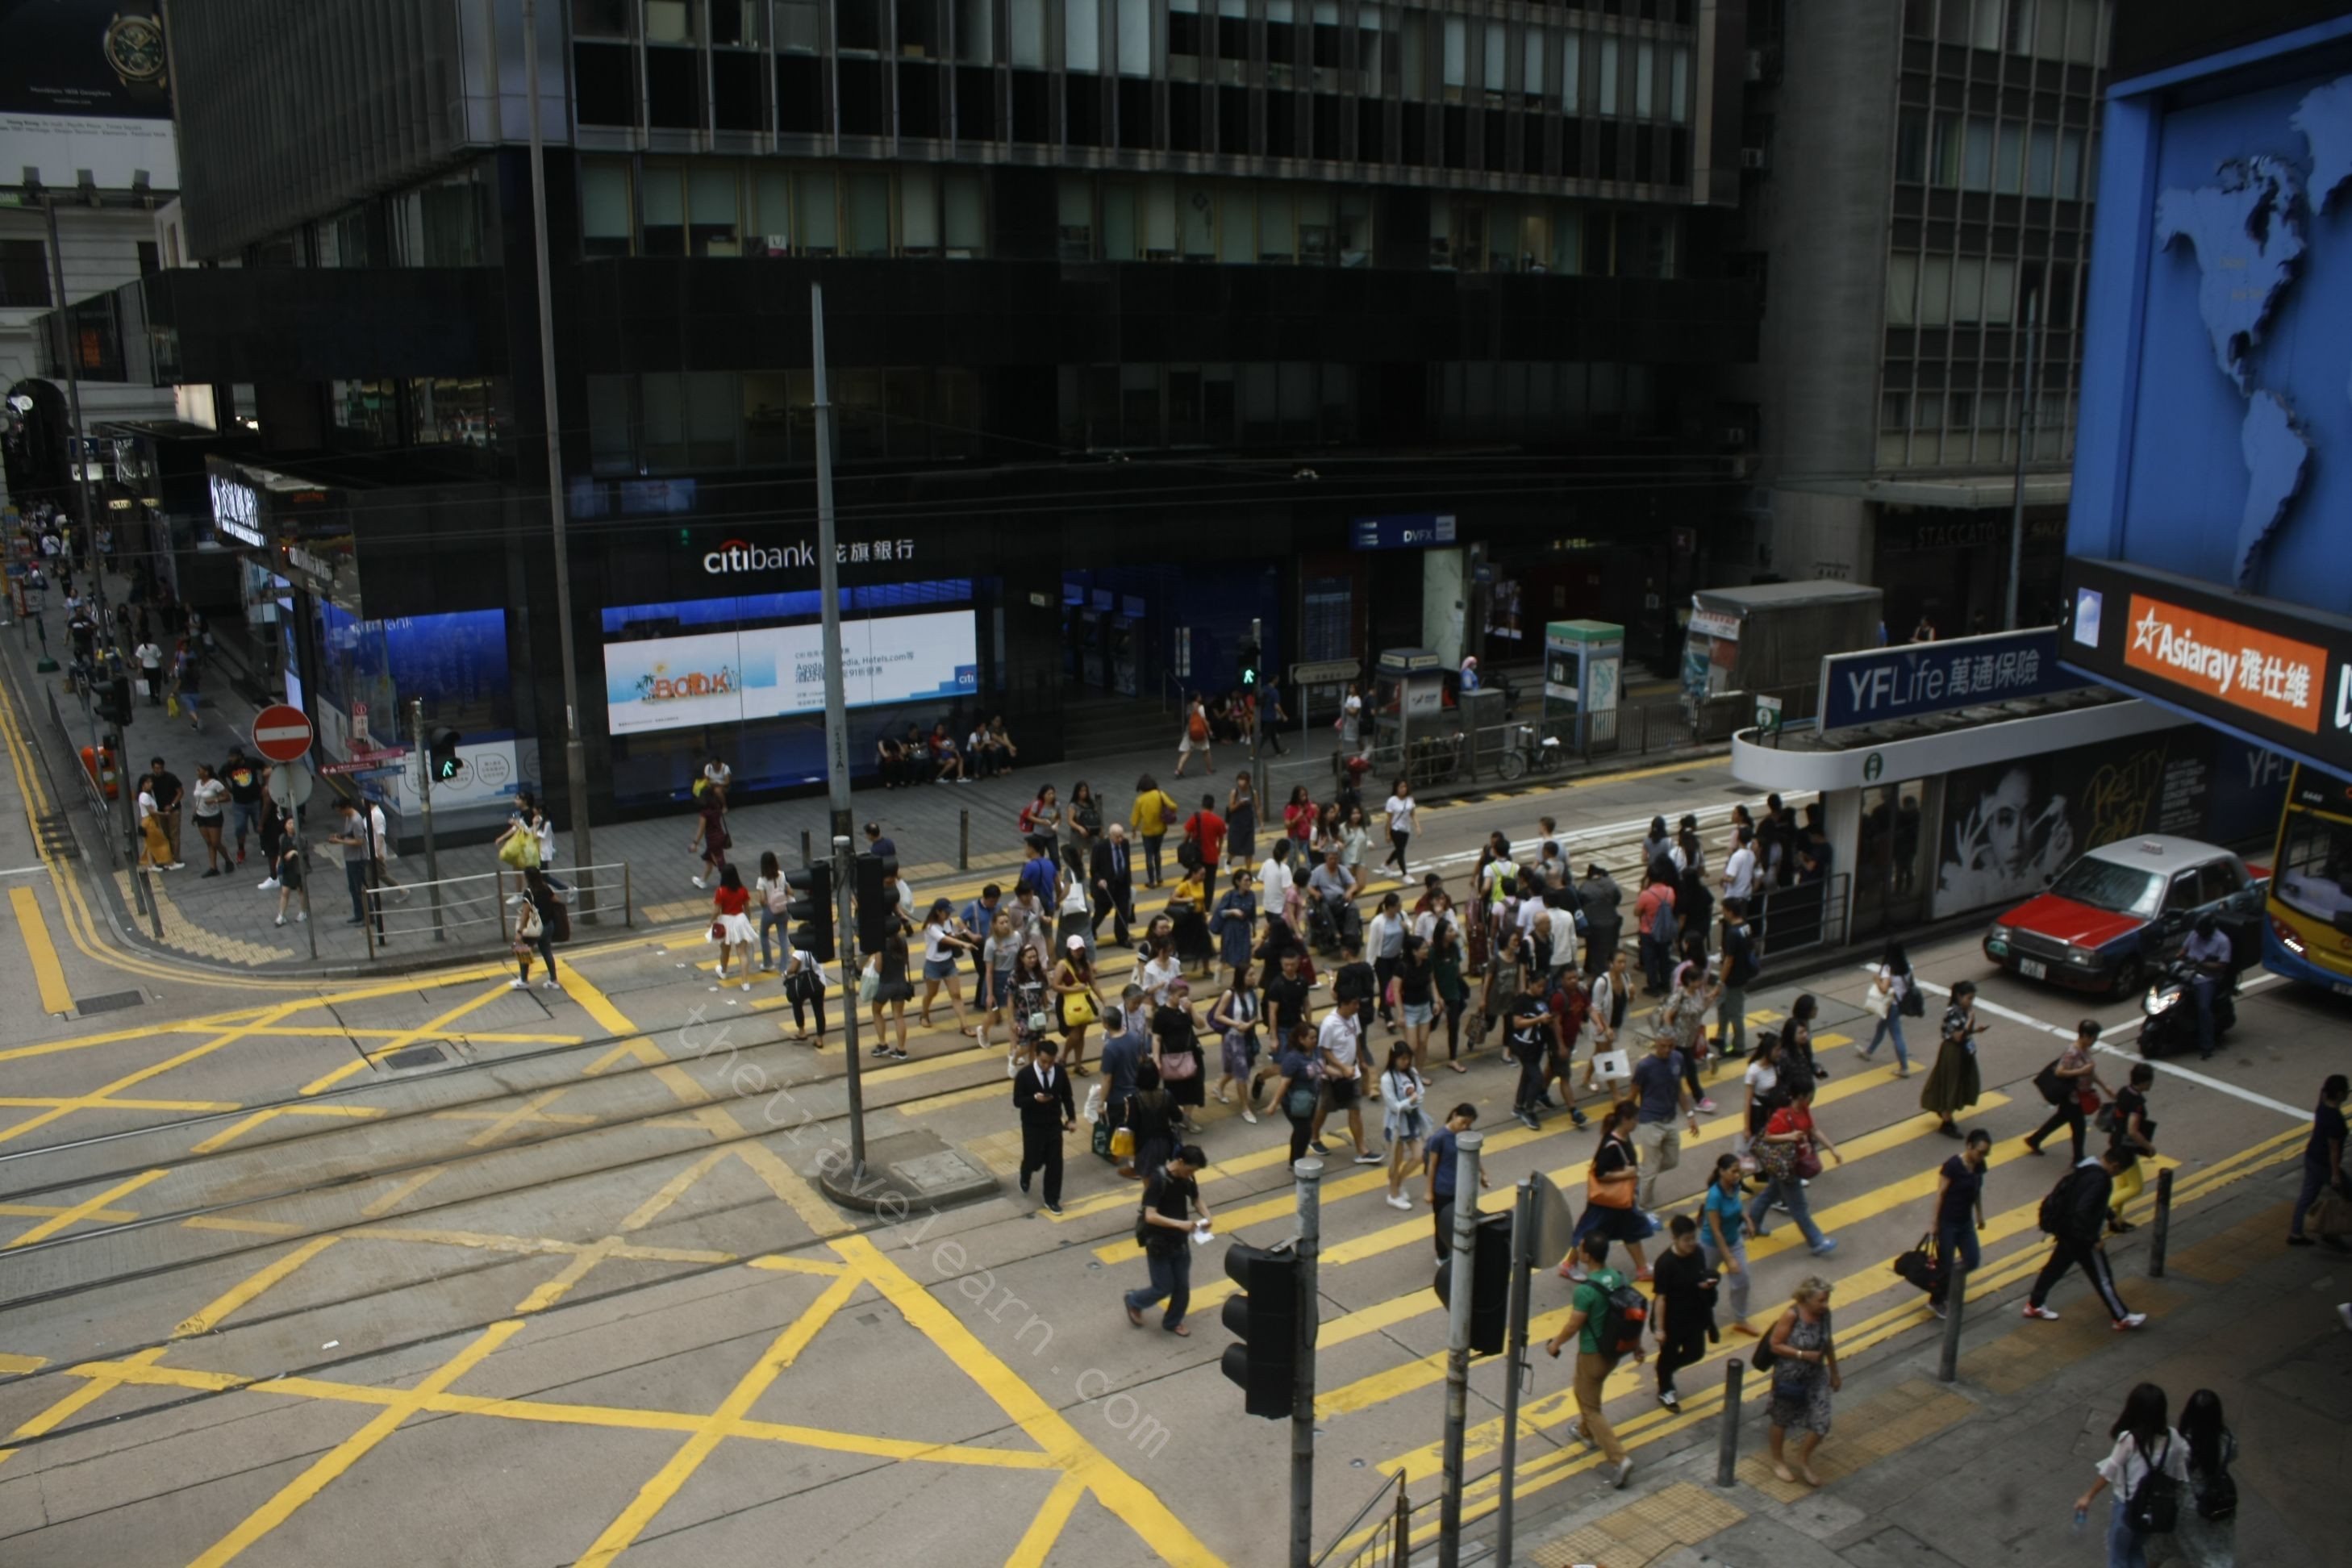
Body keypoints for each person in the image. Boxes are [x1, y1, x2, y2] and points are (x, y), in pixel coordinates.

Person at [1541, 1232, 1639, 1490]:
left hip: (1592, 1354)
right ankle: (1584, 1432)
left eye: (1581, 1249)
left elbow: (1574, 1325)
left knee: (1590, 1408)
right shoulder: (1618, 1277)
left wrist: (1555, 1344)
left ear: (1587, 1256)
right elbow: (1630, 1311)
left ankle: (1619, 1459)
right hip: (1615, 1352)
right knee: (1586, 1393)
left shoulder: (1586, 1290)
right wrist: (1638, 1346)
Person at [2024, 1145, 2146, 1328]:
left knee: (2054, 1269)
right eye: (2120, 1171)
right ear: (2115, 1165)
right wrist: (2094, 1239)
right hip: (2082, 1238)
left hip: (2067, 1230)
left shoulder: (2086, 1167)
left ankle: (2034, 1304)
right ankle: (2121, 1317)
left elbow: (2086, 1200)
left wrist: (2111, 1216)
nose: (2118, 1175)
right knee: (2102, 1277)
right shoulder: (2102, 1180)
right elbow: (2084, 1210)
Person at [2074, 1383, 2188, 1568]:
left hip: (2127, 1507)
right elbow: (2180, 1471)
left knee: (2118, 1556)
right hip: (2154, 1508)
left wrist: (2088, 1496)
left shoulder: (2129, 1439)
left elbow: (2110, 1470)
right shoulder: (2173, 1437)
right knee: (2135, 1550)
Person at [1763, 1278, 1841, 1487]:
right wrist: (1802, 1354)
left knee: (1822, 1422)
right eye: (1821, 1300)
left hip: (1816, 1374)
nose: (1825, 1305)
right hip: (1790, 1376)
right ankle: (1778, 1461)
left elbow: (1827, 1341)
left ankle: (1803, 1459)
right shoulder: (1792, 1315)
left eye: (1827, 1300)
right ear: (1806, 1299)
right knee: (1782, 1418)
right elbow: (1775, 1345)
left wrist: (1834, 1371)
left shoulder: (1825, 1314)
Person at [1749, 1083, 1842, 1257]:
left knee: (1770, 1193)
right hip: (1786, 1165)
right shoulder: (1782, 1114)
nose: (1813, 1097)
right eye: (1811, 1094)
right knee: (1799, 1207)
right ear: (1802, 1095)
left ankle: (1750, 1223)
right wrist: (1790, 1136)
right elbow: (1768, 1136)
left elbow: (1813, 1129)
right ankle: (1816, 1241)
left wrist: (1832, 1148)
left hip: (1794, 1162)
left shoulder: (1804, 1109)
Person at [1124, 1143, 1211, 1330]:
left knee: (1182, 1288)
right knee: (1163, 1287)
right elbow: (1150, 1216)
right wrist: (1180, 1224)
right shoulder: (1158, 1179)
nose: (1191, 1174)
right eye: (1190, 1170)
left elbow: (1196, 1199)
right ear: (1180, 1162)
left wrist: (1207, 1217)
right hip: (1159, 1243)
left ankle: (1172, 1322)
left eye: (1194, 1172)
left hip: (1180, 1241)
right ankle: (1134, 1300)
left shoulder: (1188, 1178)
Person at [1570, 1103, 1655, 1279]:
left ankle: (1642, 1268)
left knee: (1630, 1230)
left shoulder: (1623, 1136)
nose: (1637, 1122)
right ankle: (1569, 1265)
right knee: (1590, 1233)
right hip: (1608, 1201)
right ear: (1625, 1120)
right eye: (1635, 1119)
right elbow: (1600, 1174)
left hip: (1619, 1201)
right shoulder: (1612, 1144)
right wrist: (1627, 1174)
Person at [1651, 1214, 1718, 1409]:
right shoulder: (1665, 1264)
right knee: (1668, 1354)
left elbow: (1700, 1276)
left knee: (1696, 1353)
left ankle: (1664, 1369)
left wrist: (1706, 1285)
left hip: (1695, 1315)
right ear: (1674, 1238)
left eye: (1693, 1238)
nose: (1691, 1244)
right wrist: (1660, 1329)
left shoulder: (1698, 1253)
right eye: (1686, 1240)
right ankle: (1665, 1388)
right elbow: (1660, 1298)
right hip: (1672, 1320)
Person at [2171, 1389, 2238, 1568]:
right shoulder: (2227, 1439)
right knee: (2215, 1546)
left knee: (2181, 1543)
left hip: (2189, 1502)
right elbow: (2232, 1455)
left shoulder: (2183, 1443)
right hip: (2217, 1498)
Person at [2026, 1019, 2110, 1163]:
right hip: (2072, 1097)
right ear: (2085, 1035)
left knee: (2060, 1119)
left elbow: (2090, 1071)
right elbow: (2060, 1072)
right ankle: (2078, 1158)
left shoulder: (2085, 1050)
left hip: (2078, 1095)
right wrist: (2081, 1071)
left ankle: (2035, 1139)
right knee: (2079, 1128)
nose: (2095, 1041)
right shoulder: (2072, 1052)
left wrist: (2104, 1086)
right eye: (2094, 1038)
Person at [1928, 1130, 1991, 1317]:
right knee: (1945, 1265)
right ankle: (1936, 1300)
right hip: (1948, 1223)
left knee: (1972, 1259)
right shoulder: (1953, 1166)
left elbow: (1977, 1190)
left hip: (1965, 1223)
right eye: (1980, 1152)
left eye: (1985, 1154)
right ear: (1969, 1146)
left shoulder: (1979, 1166)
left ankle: (1951, 1284)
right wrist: (1935, 1223)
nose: (1982, 1157)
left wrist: (1980, 1215)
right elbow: (1940, 1194)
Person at [1312, 993, 1380, 1163]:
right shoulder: (1329, 1024)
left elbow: (1356, 1039)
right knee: (1324, 1108)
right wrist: (1342, 1068)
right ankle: (1314, 1137)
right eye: (1354, 1003)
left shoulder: (1353, 1017)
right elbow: (1325, 1050)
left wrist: (1361, 1061)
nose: (1358, 1007)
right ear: (1343, 1004)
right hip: (1333, 1077)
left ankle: (1362, 1150)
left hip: (1352, 1073)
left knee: (1355, 1109)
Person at [1014, 1039, 1078, 1215]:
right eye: (1044, 1062)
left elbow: (1067, 1096)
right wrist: (1035, 1099)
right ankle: (1026, 1171)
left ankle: (1052, 1199)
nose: (1047, 1066)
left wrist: (1072, 1118)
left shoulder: (1060, 1072)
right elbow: (1017, 1101)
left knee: (1055, 1162)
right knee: (1034, 1160)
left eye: (1051, 1062)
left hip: (1054, 1125)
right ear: (1036, 1056)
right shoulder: (1025, 1075)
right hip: (1032, 1126)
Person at [2287, 1072, 2350, 1248]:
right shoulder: (2335, 1120)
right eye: (2347, 1091)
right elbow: (2334, 1149)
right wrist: (2335, 1174)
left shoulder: (2322, 1107)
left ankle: (2296, 1233)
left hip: (2312, 1157)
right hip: (2325, 1164)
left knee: (2307, 1197)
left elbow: (2323, 1093)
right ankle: (2332, 1232)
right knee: (2348, 1193)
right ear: (2340, 1094)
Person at [1921, 978, 1989, 1137]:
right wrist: (1970, 1022)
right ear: (1959, 996)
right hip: (1954, 1052)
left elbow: (1963, 1032)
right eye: (1969, 998)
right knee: (1952, 1085)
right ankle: (1947, 1122)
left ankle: (1946, 1113)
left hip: (1962, 1051)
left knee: (1958, 1083)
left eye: (1973, 998)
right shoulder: (1954, 1012)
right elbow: (1958, 1036)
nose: (1971, 1002)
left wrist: (1975, 1030)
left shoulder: (1963, 1010)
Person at [1699, 1153, 1756, 1332]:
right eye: (1733, 1171)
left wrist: (1747, 1219)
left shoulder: (1735, 1186)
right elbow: (1716, 1231)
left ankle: (1741, 1320)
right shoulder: (1714, 1196)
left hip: (1734, 1239)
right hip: (1712, 1245)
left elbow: (1736, 1207)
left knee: (1742, 1281)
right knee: (1703, 1283)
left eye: (1739, 1171)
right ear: (1722, 1172)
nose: (1737, 1175)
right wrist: (1729, 1259)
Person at [2104, 1062, 2157, 1234]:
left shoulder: (2124, 1091)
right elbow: (2132, 1130)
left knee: (2122, 1185)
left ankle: (2116, 1221)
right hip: (2125, 1149)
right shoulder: (2137, 1103)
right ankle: (2102, 1207)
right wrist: (2148, 1146)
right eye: (2150, 1081)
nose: (2151, 1084)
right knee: (2135, 1187)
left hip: (2116, 1142)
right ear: (2144, 1082)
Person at [918, 899, 981, 1036]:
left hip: (949, 963)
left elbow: (950, 936)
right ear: (938, 912)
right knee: (932, 993)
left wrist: (960, 935)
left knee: (956, 995)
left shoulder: (948, 922)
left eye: (949, 912)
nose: (948, 915)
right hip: (933, 965)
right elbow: (943, 939)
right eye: (946, 912)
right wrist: (963, 944)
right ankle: (924, 1014)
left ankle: (964, 1026)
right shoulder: (930, 927)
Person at [1152, 980, 1207, 1130]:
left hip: (1191, 1055)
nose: (1183, 998)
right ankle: (1174, 1118)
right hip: (1171, 1058)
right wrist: (1156, 1059)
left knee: (1195, 1086)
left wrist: (1192, 1009)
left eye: (1186, 995)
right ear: (1170, 994)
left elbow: (1201, 1025)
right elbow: (1157, 1038)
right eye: (1180, 995)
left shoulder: (1186, 1010)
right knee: (1174, 1090)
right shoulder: (1161, 1013)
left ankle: (1187, 1118)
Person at [1506, 967, 1555, 1132]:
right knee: (1537, 1078)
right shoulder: (1522, 1000)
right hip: (1524, 1046)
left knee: (1527, 1075)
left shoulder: (1542, 999)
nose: (1541, 989)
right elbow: (1517, 1023)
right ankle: (1529, 1109)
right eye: (1539, 986)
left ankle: (1519, 1105)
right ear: (1531, 984)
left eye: (1543, 986)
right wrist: (1538, 1019)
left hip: (1537, 1045)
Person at [1857, 939, 1916, 1074]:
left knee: (1896, 1035)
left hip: (1891, 1006)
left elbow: (1884, 989)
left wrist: (1877, 979)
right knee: (1881, 1027)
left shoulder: (1889, 970)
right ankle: (1869, 1051)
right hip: (1901, 1003)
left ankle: (1904, 1068)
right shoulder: (1907, 967)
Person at [2180, 913, 2233, 1061]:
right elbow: (2183, 950)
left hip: (2206, 978)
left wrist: (2200, 964)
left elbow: (2221, 965)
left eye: (2202, 932)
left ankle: (2207, 1046)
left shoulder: (2222, 941)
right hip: (2188, 972)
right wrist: (2179, 958)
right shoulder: (2194, 934)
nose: (2199, 935)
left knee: (2204, 1008)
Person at [1209, 961, 1261, 1112]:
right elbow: (1218, 1015)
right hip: (1233, 1038)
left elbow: (1255, 1016)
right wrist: (1236, 1024)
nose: (1254, 977)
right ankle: (1245, 1107)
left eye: (1254, 974)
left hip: (1248, 1036)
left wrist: (1249, 1024)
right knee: (1241, 1072)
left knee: (1237, 1069)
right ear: (1241, 977)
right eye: (1250, 975)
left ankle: (1219, 1087)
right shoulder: (1230, 994)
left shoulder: (1253, 993)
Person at [1380, 1043, 1428, 1210]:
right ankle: (1393, 1195)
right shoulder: (1387, 1079)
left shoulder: (1412, 1072)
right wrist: (1410, 1101)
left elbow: (1420, 1093)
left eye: (1408, 1058)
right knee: (1396, 1160)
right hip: (1395, 1125)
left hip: (1411, 1121)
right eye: (1403, 1059)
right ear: (1394, 1059)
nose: (1406, 1062)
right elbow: (1394, 1106)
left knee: (1420, 1155)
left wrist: (1411, 1101)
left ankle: (1398, 1182)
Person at [331, 801, 384, 939]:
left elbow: (359, 841)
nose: (340, 813)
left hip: (358, 859)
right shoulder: (348, 818)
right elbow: (351, 834)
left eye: (340, 810)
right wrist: (341, 836)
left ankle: (369, 916)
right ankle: (359, 914)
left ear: (347, 807)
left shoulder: (356, 820)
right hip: (350, 859)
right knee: (353, 888)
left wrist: (340, 841)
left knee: (361, 889)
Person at [1053, 938, 1106, 1075]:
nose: (1079, 952)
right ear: (1069, 949)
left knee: (1081, 1035)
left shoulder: (1086, 963)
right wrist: (1075, 989)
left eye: (1081, 949)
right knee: (1075, 1035)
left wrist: (1104, 1001)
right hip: (1066, 1003)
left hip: (1083, 1002)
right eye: (1076, 949)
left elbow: (1093, 983)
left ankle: (1078, 1064)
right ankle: (1063, 1057)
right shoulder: (1062, 964)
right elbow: (1055, 986)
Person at [1715, 898, 1759, 1057]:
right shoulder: (1746, 927)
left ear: (1730, 912)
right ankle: (1721, 1037)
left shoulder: (1733, 933)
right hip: (1741, 974)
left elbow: (1729, 960)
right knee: (1723, 1005)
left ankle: (1739, 1046)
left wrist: (1720, 981)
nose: (1723, 913)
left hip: (1733, 978)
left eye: (1724, 910)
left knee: (1736, 1013)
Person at [866, 932, 916, 1059]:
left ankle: (883, 1044)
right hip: (901, 984)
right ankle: (901, 1050)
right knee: (898, 1016)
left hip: (885, 985)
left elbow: (878, 968)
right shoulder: (902, 941)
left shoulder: (880, 944)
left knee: (876, 1012)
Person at [707, 864, 757, 989]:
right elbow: (747, 908)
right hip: (741, 920)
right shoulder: (743, 890)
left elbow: (716, 910)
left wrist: (711, 921)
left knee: (725, 950)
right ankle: (745, 982)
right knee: (742, 953)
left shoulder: (720, 891)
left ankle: (723, 971)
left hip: (725, 922)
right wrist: (748, 922)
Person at [511, 868, 561, 990]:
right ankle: (553, 980)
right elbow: (556, 900)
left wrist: (519, 932)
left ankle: (523, 980)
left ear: (527, 877)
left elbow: (525, 914)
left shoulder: (529, 892)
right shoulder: (546, 887)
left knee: (523, 949)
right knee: (547, 952)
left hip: (535, 928)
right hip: (549, 925)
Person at [780, 932, 832, 1045]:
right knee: (819, 1010)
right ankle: (820, 1039)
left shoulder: (799, 952)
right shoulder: (818, 947)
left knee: (797, 1004)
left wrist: (785, 973)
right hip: (819, 982)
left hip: (803, 984)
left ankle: (802, 1032)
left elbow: (793, 969)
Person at [1090, 824, 1136, 948]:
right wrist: (1099, 880)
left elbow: (1127, 863)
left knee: (1123, 912)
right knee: (1101, 912)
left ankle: (1122, 938)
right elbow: (1094, 869)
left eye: (1122, 836)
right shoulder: (1100, 847)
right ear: (1110, 836)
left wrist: (1128, 880)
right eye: (1117, 837)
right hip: (1106, 886)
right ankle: (1092, 928)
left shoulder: (1125, 844)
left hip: (1122, 885)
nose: (1120, 839)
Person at [1130, 774, 1179, 888]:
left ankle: (1151, 881)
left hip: (1147, 832)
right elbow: (1173, 806)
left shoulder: (1140, 800)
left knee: (1149, 855)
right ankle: (1159, 877)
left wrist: (1134, 830)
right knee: (1157, 852)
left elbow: (1135, 818)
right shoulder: (1159, 794)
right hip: (1160, 830)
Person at [1635, 865, 1678, 996]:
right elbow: (1672, 907)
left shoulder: (1646, 894)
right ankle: (1666, 984)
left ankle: (1653, 987)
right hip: (1665, 931)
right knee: (1664, 958)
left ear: (1649, 878)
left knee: (1650, 961)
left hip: (1648, 932)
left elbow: (1637, 912)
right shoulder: (1670, 891)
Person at [1211, 868, 1258, 984]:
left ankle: (1241, 981)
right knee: (1229, 955)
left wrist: (1254, 928)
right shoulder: (1230, 895)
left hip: (1244, 930)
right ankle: (1220, 970)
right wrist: (1232, 912)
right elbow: (1220, 912)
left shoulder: (1251, 895)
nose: (1248, 883)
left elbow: (1253, 914)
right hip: (1231, 930)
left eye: (1250, 880)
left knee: (1245, 957)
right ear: (1237, 882)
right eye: (1246, 880)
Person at [220, 749, 265, 865]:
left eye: (233, 756)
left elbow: (265, 767)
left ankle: (264, 846)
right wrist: (229, 788)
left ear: (240, 756)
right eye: (229, 757)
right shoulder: (228, 767)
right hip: (239, 803)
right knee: (240, 828)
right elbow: (220, 776)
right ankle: (241, 850)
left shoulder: (251, 762)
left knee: (260, 825)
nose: (230, 759)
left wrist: (264, 783)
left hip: (255, 800)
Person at [189, 763, 229, 876]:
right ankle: (213, 867)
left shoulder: (215, 784)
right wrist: (194, 813)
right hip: (201, 816)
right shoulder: (198, 783)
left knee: (216, 842)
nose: (197, 772)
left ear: (206, 772)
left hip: (213, 816)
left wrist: (214, 800)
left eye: (199, 770)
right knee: (209, 843)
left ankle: (228, 860)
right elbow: (198, 799)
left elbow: (227, 797)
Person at [753, 853, 790, 971]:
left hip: (769, 911)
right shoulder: (782, 875)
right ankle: (784, 967)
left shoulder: (761, 880)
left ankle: (768, 963)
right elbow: (790, 891)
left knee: (764, 935)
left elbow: (762, 900)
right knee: (783, 937)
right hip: (783, 910)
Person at [148, 756, 186, 870]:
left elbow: (180, 792)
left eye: (160, 768)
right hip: (161, 811)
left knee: (174, 834)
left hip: (174, 810)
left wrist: (172, 805)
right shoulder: (151, 779)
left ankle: (176, 858)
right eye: (156, 768)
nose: (158, 770)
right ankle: (168, 857)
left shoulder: (171, 777)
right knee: (165, 834)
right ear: (152, 768)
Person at [269, 819, 310, 926]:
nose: (292, 825)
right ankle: (281, 915)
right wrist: (278, 861)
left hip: (298, 869)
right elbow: (281, 852)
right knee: (285, 892)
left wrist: (294, 852)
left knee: (301, 891)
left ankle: (303, 912)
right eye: (289, 823)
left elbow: (305, 853)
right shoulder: (282, 838)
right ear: (285, 826)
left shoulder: (301, 838)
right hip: (287, 868)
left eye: (293, 823)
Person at [689, 786, 729, 889]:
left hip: (712, 840)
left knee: (720, 862)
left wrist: (695, 843)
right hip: (720, 836)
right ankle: (702, 880)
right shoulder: (717, 807)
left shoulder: (705, 813)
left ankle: (728, 882)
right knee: (709, 860)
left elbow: (701, 829)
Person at [1182, 794, 1226, 884]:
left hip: (1197, 857)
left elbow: (1186, 835)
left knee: (1195, 884)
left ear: (1202, 805)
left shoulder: (1195, 818)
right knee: (1209, 884)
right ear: (1213, 806)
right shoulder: (1219, 821)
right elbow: (1221, 838)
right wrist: (1219, 850)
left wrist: (1185, 848)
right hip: (1212, 857)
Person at [1066, 779, 1103, 871]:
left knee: (1094, 856)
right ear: (1077, 792)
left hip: (1091, 833)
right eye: (1081, 791)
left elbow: (1097, 817)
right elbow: (1070, 821)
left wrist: (1100, 830)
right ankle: (1078, 874)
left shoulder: (1091, 803)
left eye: (1085, 790)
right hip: (1078, 834)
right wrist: (1080, 828)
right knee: (1077, 858)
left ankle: (1095, 873)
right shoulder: (1073, 805)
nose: (1084, 793)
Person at [1022, 783, 1063, 865]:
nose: (1051, 796)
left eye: (1053, 793)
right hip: (1039, 835)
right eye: (1049, 794)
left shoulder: (1056, 805)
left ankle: (1057, 872)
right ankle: (1039, 871)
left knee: (1055, 857)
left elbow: (1059, 818)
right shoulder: (1038, 804)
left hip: (1051, 835)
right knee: (1039, 857)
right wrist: (1041, 821)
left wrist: (1057, 824)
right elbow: (1030, 816)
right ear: (1043, 795)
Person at [133, 636, 164, 704]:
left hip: (147, 668)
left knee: (150, 684)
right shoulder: (155, 647)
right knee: (157, 683)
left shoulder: (141, 648)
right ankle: (157, 695)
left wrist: (139, 668)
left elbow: (140, 660)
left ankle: (152, 697)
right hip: (156, 667)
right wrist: (163, 665)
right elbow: (160, 657)